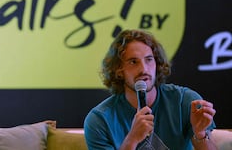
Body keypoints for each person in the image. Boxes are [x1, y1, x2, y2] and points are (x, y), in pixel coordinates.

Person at [84, 29, 217, 150]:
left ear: (157, 63)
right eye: (133, 62)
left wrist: (200, 134)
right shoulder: (99, 119)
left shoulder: (185, 101)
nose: (144, 69)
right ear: (119, 70)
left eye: (149, 60)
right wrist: (132, 139)